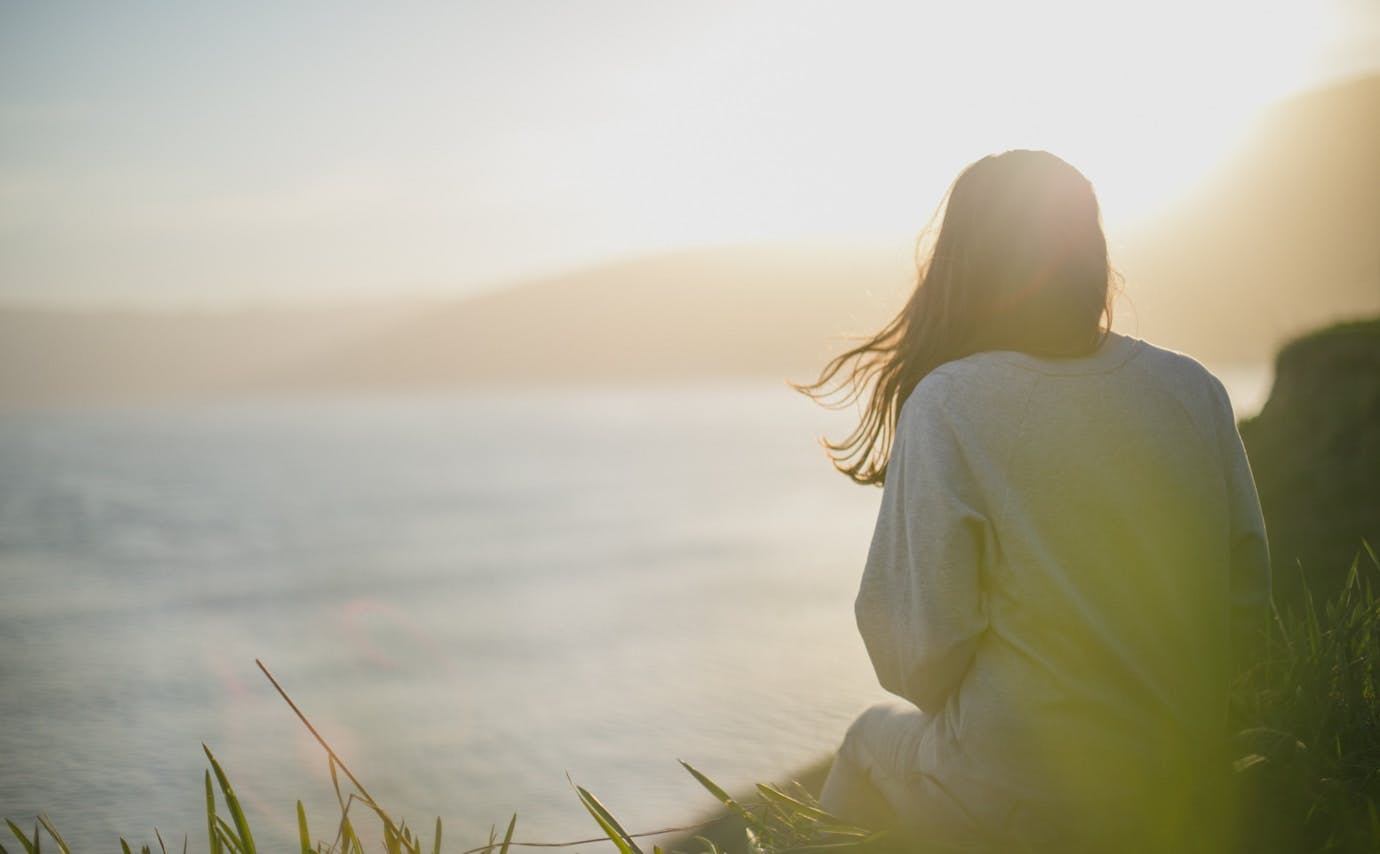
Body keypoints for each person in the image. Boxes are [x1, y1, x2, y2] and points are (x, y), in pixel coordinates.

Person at [797, 150, 1271, 851]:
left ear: (965, 264)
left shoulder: (951, 402)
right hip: (1182, 777)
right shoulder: (1194, 389)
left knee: (868, 743)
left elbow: (917, 659)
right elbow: (1246, 606)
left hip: (1024, 794)